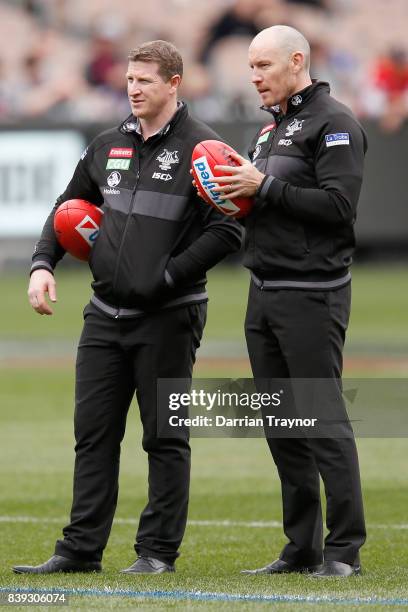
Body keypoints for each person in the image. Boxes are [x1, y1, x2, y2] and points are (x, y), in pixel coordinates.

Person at [14, 40, 242, 575]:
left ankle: (157, 553)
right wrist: (43, 263)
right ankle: (79, 551)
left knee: (164, 439)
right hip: (103, 315)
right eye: (130, 80)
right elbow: (65, 206)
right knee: (93, 435)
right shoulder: (107, 145)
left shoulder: (203, 149)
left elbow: (229, 229)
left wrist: (165, 276)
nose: (133, 89)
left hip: (169, 316)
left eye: (144, 81)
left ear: (173, 84)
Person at [210, 25, 366, 578]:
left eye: (263, 67)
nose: (254, 77)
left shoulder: (336, 123)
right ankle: (302, 547)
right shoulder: (271, 131)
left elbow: (339, 206)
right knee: (282, 425)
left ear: (296, 61)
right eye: (250, 68)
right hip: (264, 293)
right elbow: (263, 201)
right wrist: (237, 199)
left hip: (312, 294)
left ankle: (344, 550)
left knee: (323, 419)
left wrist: (264, 188)